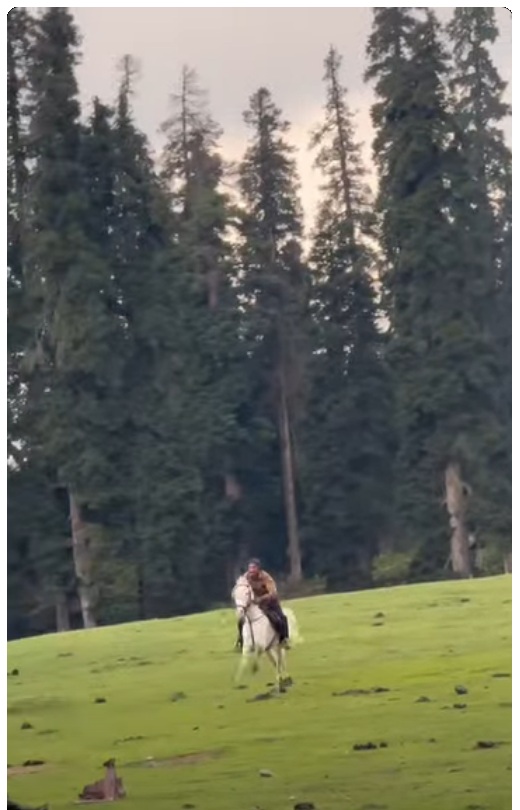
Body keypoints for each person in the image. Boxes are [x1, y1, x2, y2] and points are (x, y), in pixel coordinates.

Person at [235, 558, 290, 650]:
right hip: (254, 602)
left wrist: (260, 599)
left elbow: (272, 593)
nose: (251, 570)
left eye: (253, 568)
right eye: (250, 568)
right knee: (241, 620)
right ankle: (241, 640)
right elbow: (242, 587)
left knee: (281, 618)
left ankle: (284, 639)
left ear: (258, 569)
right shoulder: (245, 577)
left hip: (269, 603)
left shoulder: (266, 577)